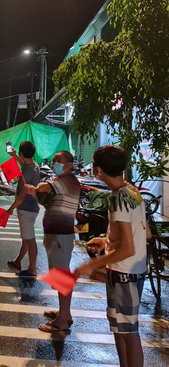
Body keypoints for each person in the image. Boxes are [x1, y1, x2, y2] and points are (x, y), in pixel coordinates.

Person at [74, 146, 149, 367]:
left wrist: (92, 264)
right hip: (130, 272)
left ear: (97, 171)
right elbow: (145, 233)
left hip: (124, 273)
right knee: (120, 329)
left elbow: (128, 249)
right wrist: (106, 241)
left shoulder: (118, 199)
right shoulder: (131, 191)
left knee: (128, 333)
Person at [25, 150, 81, 333]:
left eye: (59, 161)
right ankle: (65, 313)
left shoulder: (67, 180)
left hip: (59, 235)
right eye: (54, 160)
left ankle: (62, 321)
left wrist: (37, 188)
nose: (55, 163)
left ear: (69, 165)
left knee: (61, 277)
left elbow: (44, 187)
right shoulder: (64, 180)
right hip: (57, 235)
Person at [5, 141, 41, 278]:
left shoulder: (27, 171)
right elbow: (24, 163)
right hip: (31, 208)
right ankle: (17, 261)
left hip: (26, 208)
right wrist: (14, 155)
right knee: (26, 238)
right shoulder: (33, 166)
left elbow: (21, 196)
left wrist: (10, 209)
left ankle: (32, 269)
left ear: (21, 153)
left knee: (29, 240)